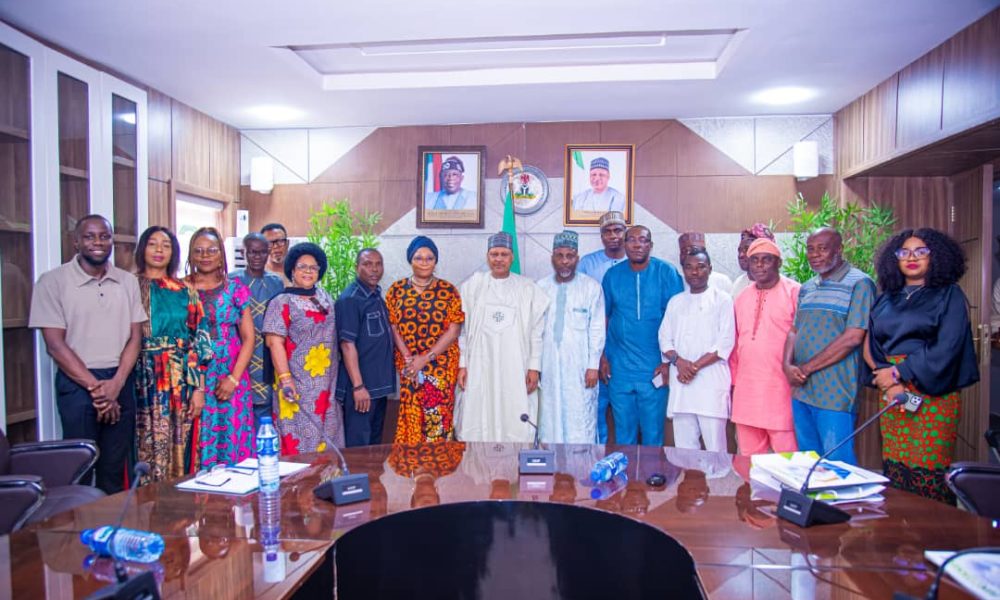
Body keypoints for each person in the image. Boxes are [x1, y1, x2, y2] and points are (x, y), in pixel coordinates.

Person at [29, 215, 146, 493]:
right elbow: (55, 346)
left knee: (114, 470)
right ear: (76, 242)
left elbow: (135, 338)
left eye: (104, 236)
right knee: (79, 468)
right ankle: (78, 522)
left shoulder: (127, 281)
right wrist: (99, 390)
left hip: (120, 379)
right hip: (78, 384)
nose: (98, 242)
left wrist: (116, 385)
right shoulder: (52, 282)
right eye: (89, 236)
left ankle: (112, 521)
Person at [865, 228, 978, 503]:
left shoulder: (949, 294)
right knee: (896, 468)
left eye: (921, 251)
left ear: (935, 256)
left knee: (928, 468)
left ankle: (933, 528)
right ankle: (900, 528)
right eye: (904, 252)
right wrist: (890, 382)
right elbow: (872, 342)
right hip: (892, 391)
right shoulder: (886, 298)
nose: (911, 257)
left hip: (934, 389)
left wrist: (898, 372)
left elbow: (948, 345)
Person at [783, 228, 875, 465]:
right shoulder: (807, 286)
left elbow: (853, 337)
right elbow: (794, 330)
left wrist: (806, 368)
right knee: (808, 461)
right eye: (810, 249)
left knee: (837, 463)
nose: (814, 254)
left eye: (822, 249)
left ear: (839, 249)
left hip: (835, 393)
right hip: (802, 390)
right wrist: (787, 366)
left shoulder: (860, 283)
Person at [133, 226, 213, 482]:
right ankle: (142, 500)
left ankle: (176, 501)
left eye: (166, 245)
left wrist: (199, 388)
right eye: (152, 244)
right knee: (137, 442)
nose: (159, 250)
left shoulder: (185, 290)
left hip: (179, 380)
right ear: (142, 249)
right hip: (137, 376)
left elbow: (199, 342)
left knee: (180, 442)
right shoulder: (128, 286)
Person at [455, 232, 549, 442]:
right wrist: (463, 365)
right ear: (487, 257)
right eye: (494, 254)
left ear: (512, 257)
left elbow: (536, 332)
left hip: (515, 365)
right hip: (480, 364)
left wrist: (534, 367)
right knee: (479, 411)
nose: (499, 259)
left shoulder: (528, 288)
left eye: (504, 254)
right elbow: (464, 330)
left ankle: (513, 459)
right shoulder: (473, 286)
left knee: (513, 412)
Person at [601, 225, 683, 446]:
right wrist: (603, 356)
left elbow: (678, 321)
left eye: (643, 240)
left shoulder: (666, 273)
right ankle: (626, 471)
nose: (637, 245)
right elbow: (604, 318)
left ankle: (650, 471)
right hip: (620, 369)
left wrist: (668, 363)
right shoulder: (612, 276)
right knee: (624, 435)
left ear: (651, 245)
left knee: (653, 435)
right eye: (632, 240)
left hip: (654, 367)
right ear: (624, 244)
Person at [264, 242, 345, 454]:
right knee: (299, 442)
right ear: (292, 270)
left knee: (329, 440)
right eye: (302, 267)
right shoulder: (282, 302)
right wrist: (286, 380)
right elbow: (274, 343)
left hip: (327, 385)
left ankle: (327, 476)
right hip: (297, 384)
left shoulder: (324, 297)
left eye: (313, 267)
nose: (308, 271)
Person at [186, 227, 256, 468]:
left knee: (233, 442)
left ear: (221, 255)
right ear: (191, 255)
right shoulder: (181, 289)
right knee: (196, 441)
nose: (205, 255)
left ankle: (237, 493)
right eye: (199, 251)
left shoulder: (236, 289)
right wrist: (196, 384)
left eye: (212, 250)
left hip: (231, 377)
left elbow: (249, 338)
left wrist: (233, 379)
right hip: (193, 378)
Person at [386, 236, 465, 444]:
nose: (424, 262)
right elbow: (393, 326)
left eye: (429, 258)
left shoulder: (448, 291)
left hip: (441, 366)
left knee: (436, 420)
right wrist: (409, 359)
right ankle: (412, 462)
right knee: (411, 419)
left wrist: (425, 358)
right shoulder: (396, 290)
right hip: (409, 366)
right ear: (410, 260)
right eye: (418, 258)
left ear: (436, 261)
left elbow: (454, 330)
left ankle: (437, 463)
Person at [658, 249, 734, 453]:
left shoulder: (722, 299)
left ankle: (718, 476)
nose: (695, 272)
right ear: (683, 271)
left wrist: (692, 367)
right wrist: (679, 363)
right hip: (682, 385)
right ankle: (690, 475)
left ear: (710, 269)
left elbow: (725, 342)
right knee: (685, 449)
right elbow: (664, 338)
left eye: (701, 267)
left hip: (710, 383)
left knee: (716, 449)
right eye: (689, 267)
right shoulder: (676, 301)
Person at [730, 238, 800, 455]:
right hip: (746, 391)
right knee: (750, 459)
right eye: (754, 260)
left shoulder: (795, 292)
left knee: (787, 458)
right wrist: (733, 383)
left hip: (781, 389)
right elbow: (735, 344)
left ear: (778, 263)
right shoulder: (742, 297)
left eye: (766, 260)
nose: (759, 265)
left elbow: (803, 339)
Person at [537, 231, 606, 443]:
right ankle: (552, 461)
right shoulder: (541, 288)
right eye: (560, 255)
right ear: (552, 258)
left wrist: (593, 365)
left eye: (570, 256)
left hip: (580, 367)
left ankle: (580, 463)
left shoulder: (591, 288)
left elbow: (597, 329)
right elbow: (535, 331)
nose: (565, 261)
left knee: (580, 418)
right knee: (550, 417)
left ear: (577, 258)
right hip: (548, 365)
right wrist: (535, 366)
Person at [335, 248, 395, 446]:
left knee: (373, 446)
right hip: (361, 391)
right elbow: (347, 344)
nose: (374, 269)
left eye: (378, 264)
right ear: (356, 267)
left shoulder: (375, 295)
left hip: (377, 388)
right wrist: (359, 386)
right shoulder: (351, 299)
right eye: (367, 264)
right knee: (358, 448)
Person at [578, 210, 627, 443]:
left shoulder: (635, 262)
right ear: (601, 236)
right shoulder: (588, 264)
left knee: (626, 414)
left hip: (626, 349)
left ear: (625, 233)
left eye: (618, 230)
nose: (613, 236)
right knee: (595, 410)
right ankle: (595, 458)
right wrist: (596, 355)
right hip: (594, 347)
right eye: (607, 232)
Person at [230, 232, 285, 428]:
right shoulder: (232, 280)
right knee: (239, 406)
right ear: (243, 253)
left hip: (267, 351)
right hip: (240, 350)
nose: (257, 257)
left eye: (262, 252)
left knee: (266, 408)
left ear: (268, 253)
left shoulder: (276, 282)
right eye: (252, 252)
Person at [732, 223, 775, 298]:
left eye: (747, 249)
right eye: (739, 250)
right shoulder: (738, 284)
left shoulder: (786, 289)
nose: (741, 255)